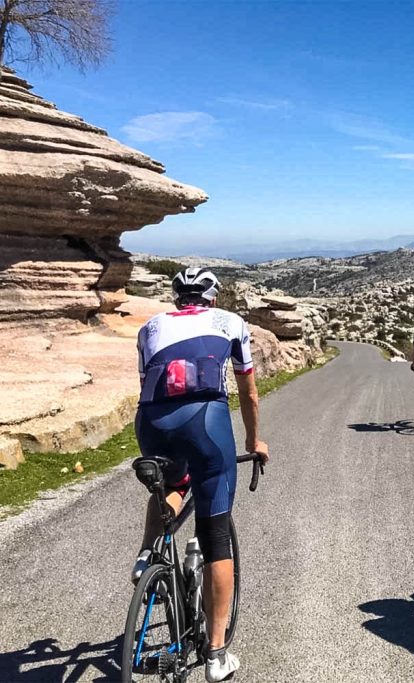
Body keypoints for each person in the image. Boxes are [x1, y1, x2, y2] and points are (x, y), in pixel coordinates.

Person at [132, 266, 269, 683]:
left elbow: (146, 384)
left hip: (152, 423)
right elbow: (247, 391)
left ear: (177, 297)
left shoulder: (149, 327)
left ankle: (148, 557)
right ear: (212, 296)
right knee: (216, 536)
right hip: (206, 422)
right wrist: (254, 442)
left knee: (172, 484)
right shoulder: (232, 322)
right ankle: (215, 655)